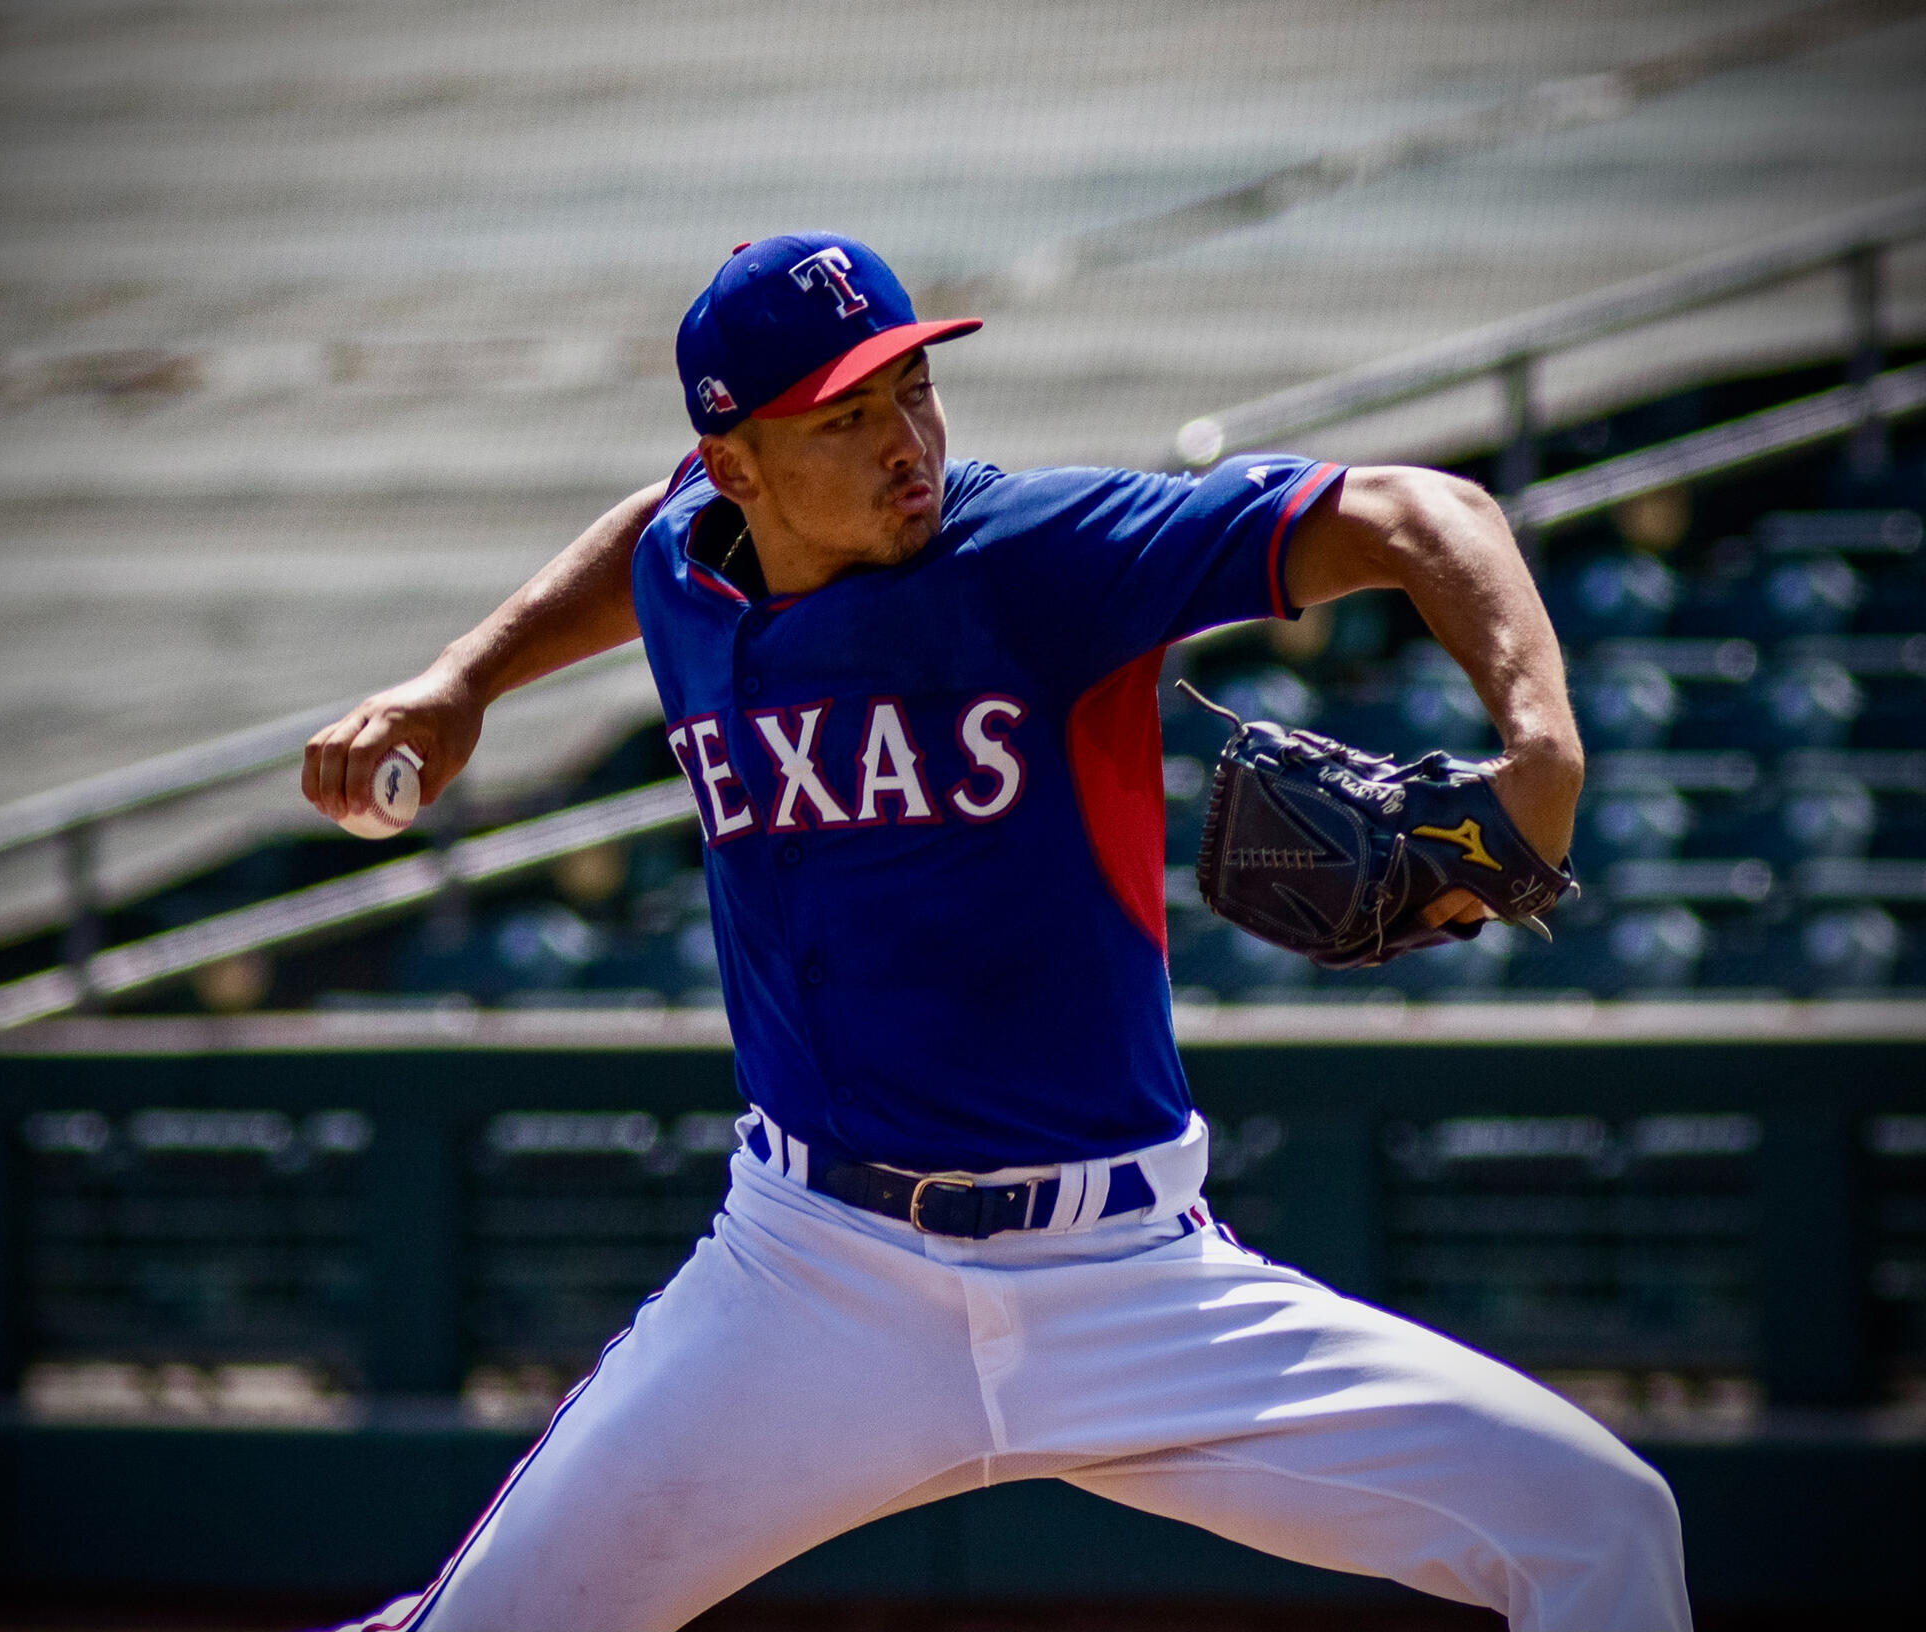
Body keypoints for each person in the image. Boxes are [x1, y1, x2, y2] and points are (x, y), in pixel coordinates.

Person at [306, 233, 1689, 1631]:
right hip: (810, 1279)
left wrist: (1544, 746)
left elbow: (1420, 507)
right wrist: (463, 679)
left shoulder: (1040, 554)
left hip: (1129, 1282)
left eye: (911, 389)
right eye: (844, 418)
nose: (902, 442)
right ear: (738, 467)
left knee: (1601, 1524)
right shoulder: (689, 562)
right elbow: (654, 534)